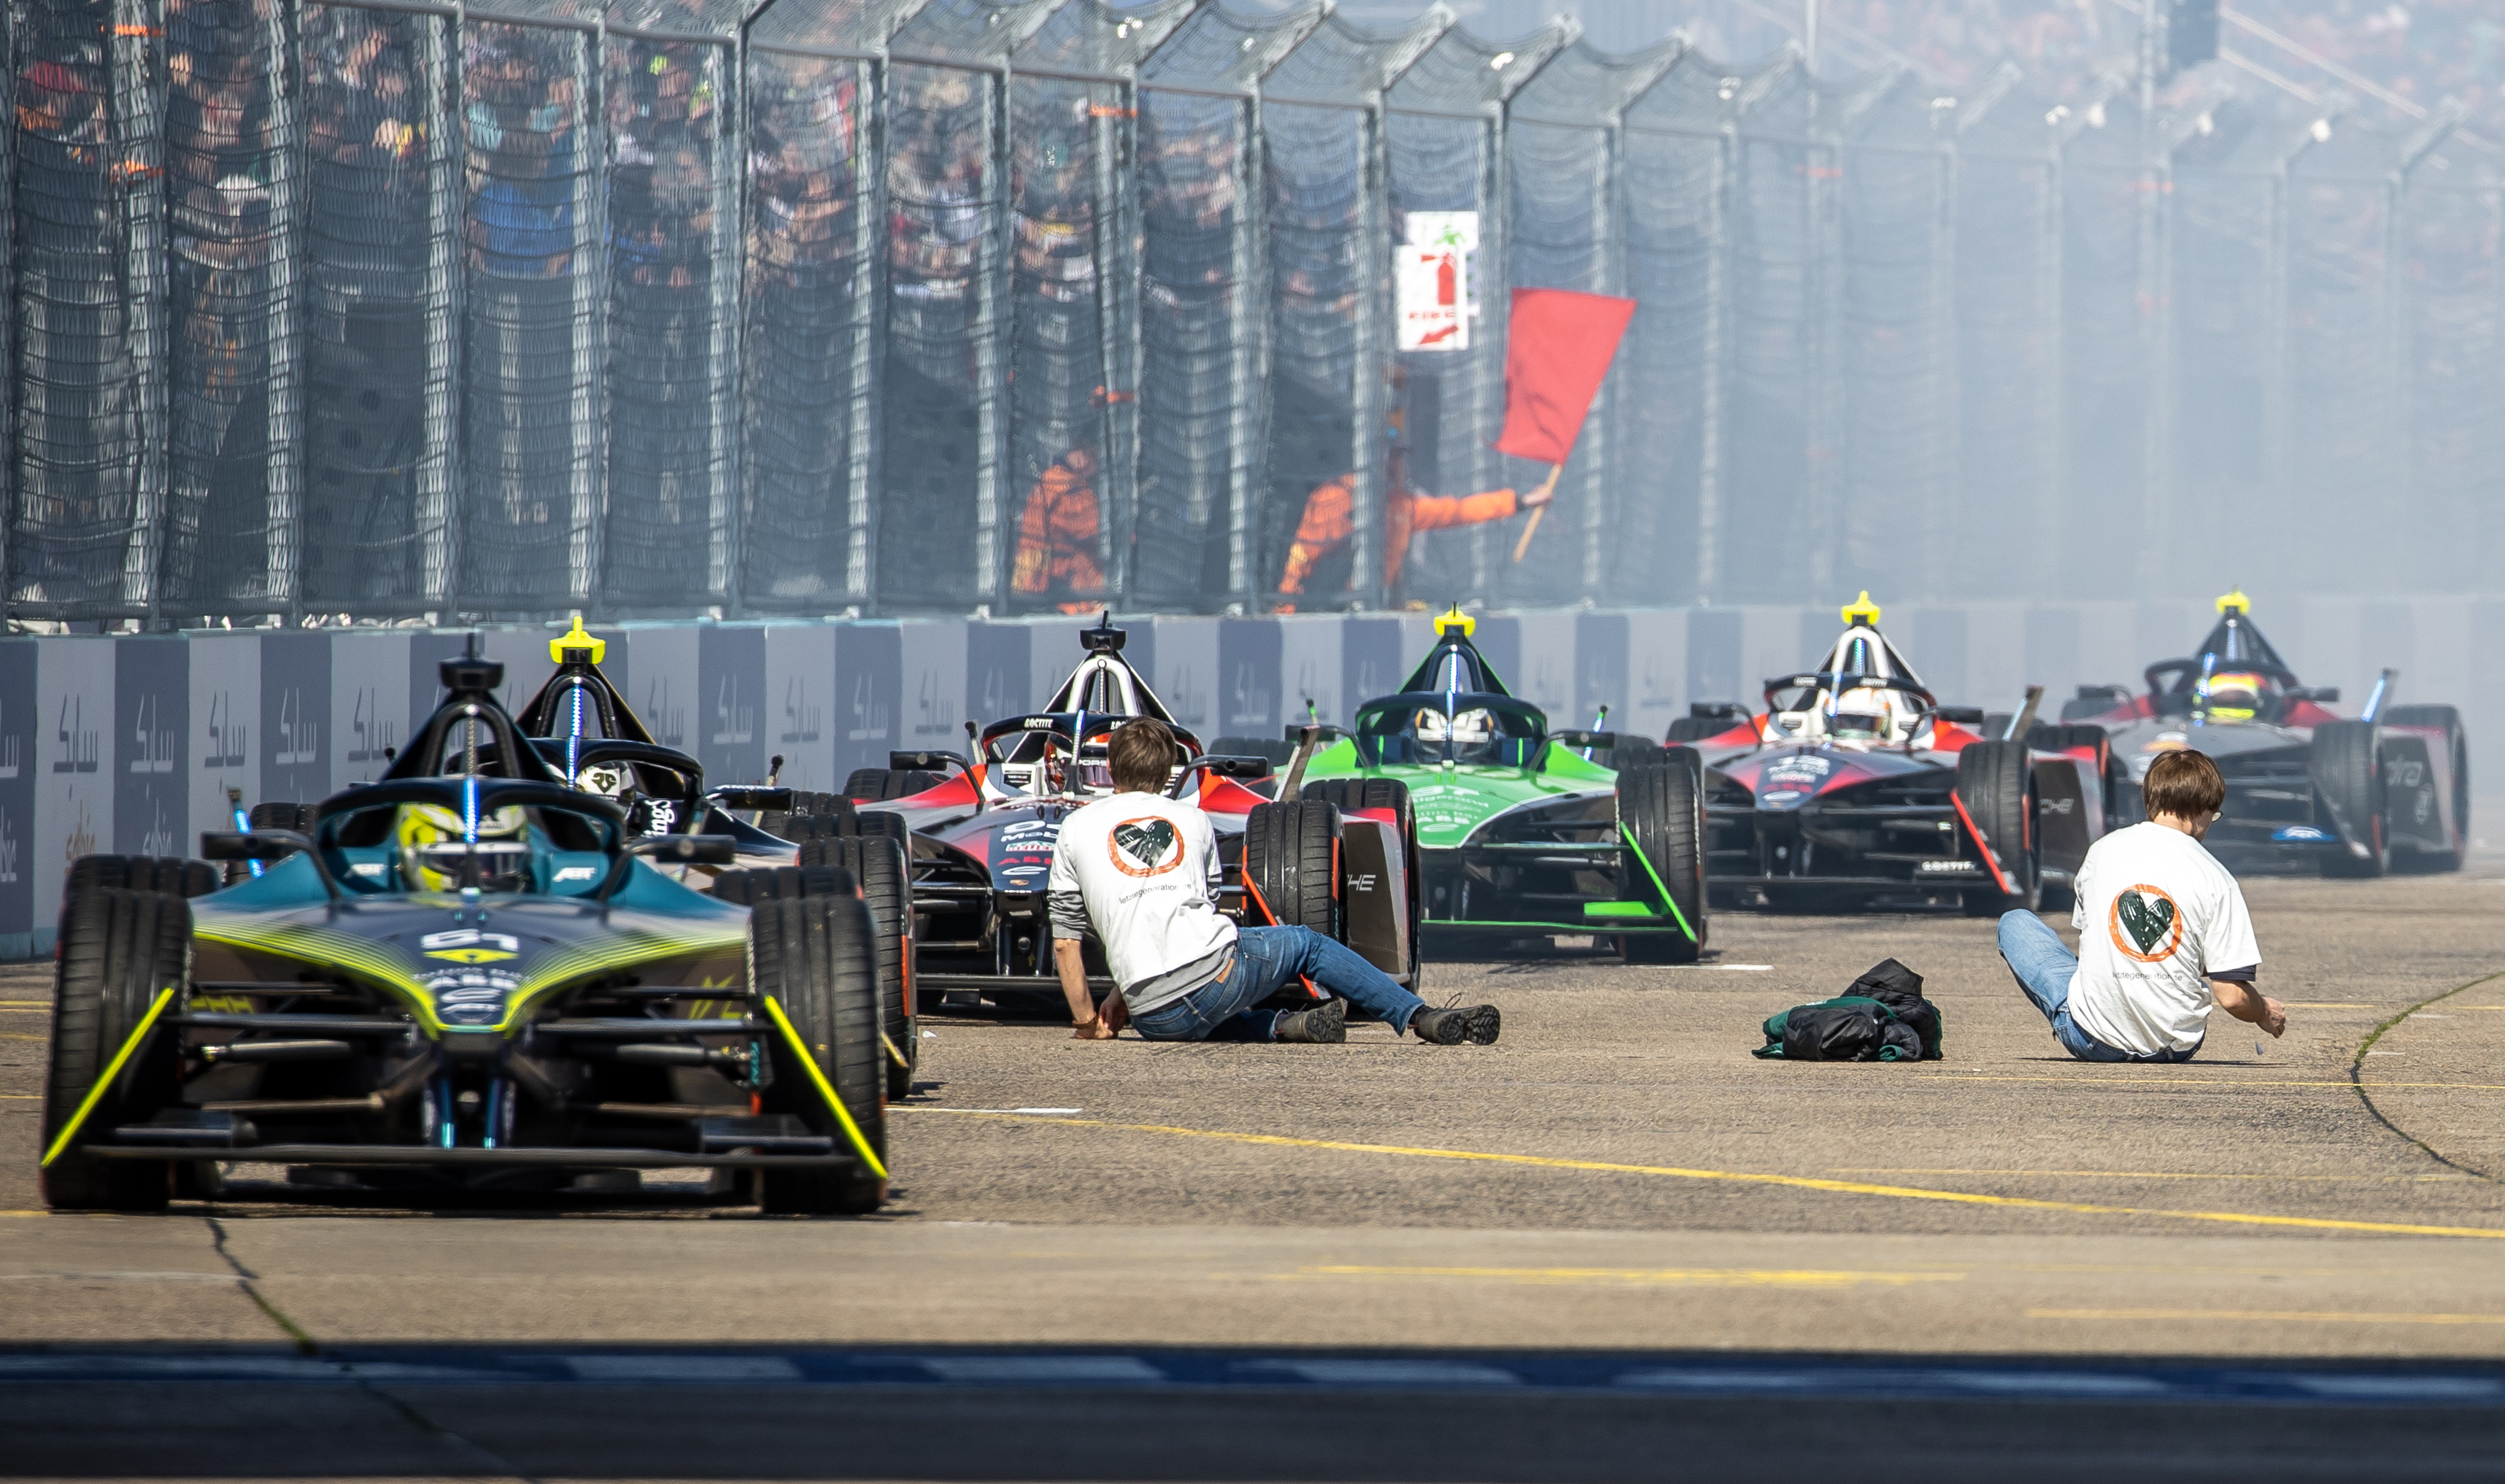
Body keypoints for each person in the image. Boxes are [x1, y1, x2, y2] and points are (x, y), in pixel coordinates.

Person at [1048, 716, 1499, 1046]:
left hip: (1153, 1016)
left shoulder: (1074, 828)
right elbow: (1191, 918)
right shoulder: (1192, 819)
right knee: (1306, 943)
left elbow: (1067, 943)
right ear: (1169, 770)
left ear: (1109, 766)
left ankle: (1282, 1026)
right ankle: (1417, 1015)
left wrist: (1091, 1018)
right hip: (1213, 980)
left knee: (1193, 1013)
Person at [1997, 748, 2284, 1062]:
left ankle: (2097, 1015)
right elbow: (2232, 997)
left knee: (2016, 923)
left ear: (2151, 801)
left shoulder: (2101, 851)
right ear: (2203, 808)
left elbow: (2095, 936)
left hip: (2093, 1041)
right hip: (2175, 1047)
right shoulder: (2218, 877)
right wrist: (2262, 1011)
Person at [1275, 456, 1557, 608]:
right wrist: (1287, 607)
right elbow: (1301, 555)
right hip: (1313, 606)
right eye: (1390, 456)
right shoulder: (1334, 497)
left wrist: (1520, 502)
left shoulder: (1403, 506)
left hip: (1363, 608)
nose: (1396, 465)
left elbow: (1459, 511)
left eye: (1398, 457)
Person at [1011, 449, 1104, 612]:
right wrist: (1126, 534)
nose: (1097, 469)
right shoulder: (1065, 485)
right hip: (1058, 585)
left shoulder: (1051, 480)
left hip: (1037, 580)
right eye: (1096, 460)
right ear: (1082, 456)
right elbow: (1087, 527)